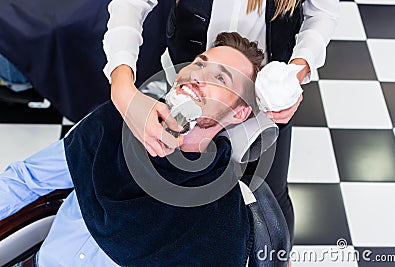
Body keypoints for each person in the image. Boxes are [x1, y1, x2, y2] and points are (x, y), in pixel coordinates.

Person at [0, 33, 290, 266]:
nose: (197, 75)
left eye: (221, 79)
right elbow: (26, 180)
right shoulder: (112, 123)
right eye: (199, 63)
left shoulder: (221, 218)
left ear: (239, 113)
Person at [104, 0, 340, 244]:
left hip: (268, 99)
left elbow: (323, 13)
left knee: (270, 196)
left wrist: (297, 70)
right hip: (184, 84)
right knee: (174, 191)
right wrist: (121, 86)